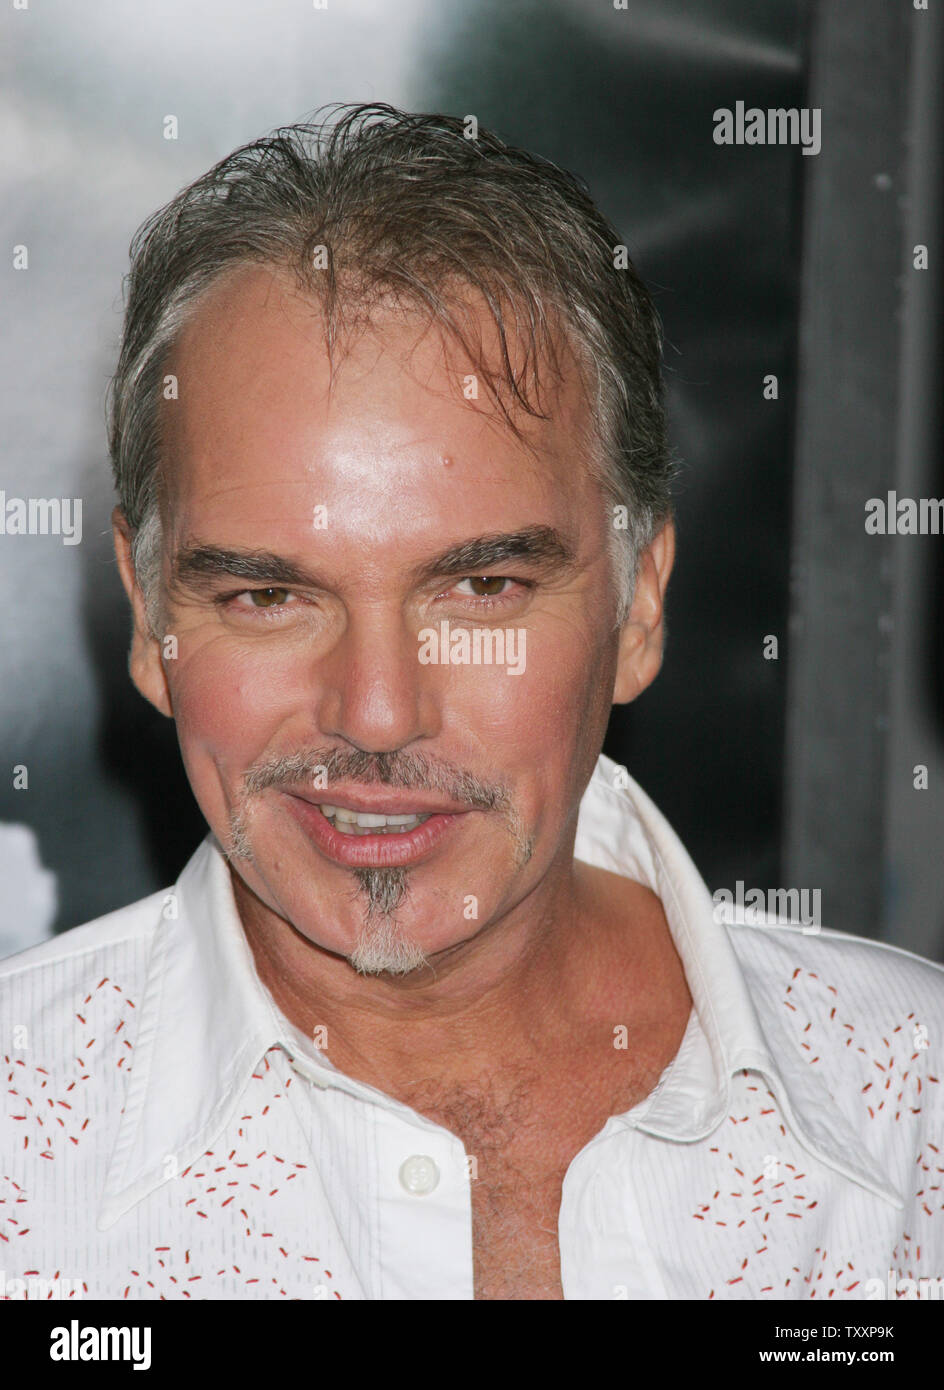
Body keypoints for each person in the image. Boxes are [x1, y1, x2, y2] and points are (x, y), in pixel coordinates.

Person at [2, 103, 942, 1303]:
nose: (379, 713)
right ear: (149, 617)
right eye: (265, 596)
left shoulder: (914, 1107)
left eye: (482, 585)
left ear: (638, 601)